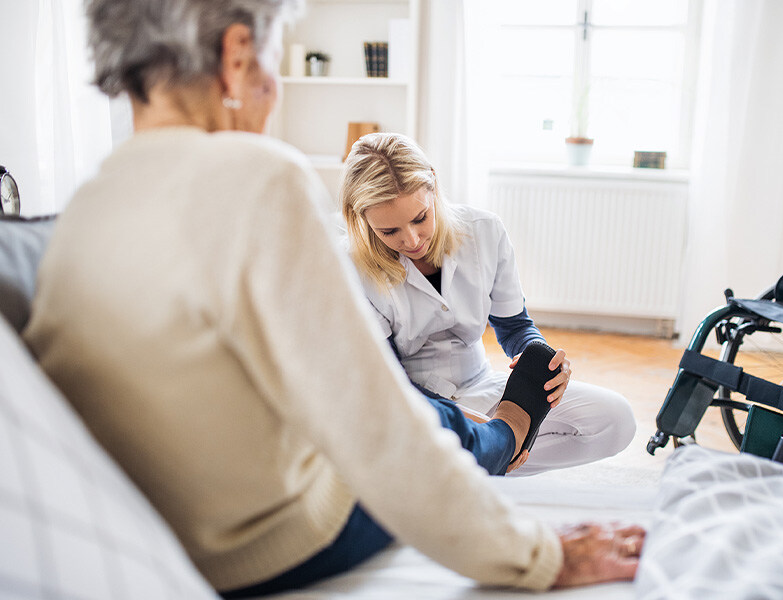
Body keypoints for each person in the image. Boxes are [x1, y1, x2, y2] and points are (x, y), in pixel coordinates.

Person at [23, 0, 644, 596]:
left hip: (170, 537)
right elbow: (378, 424)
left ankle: (500, 438)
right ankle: (507, 440)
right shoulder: (259, 176)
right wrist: (540, 554)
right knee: (428, 420)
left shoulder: (83, 212)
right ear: (238, 56)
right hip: (283, 543)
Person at [339, 132, 637, 476]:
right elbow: (387, 379)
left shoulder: (484, 231)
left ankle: (483, 464)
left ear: (433, 186)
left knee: (616, 420)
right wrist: (481, 429)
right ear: (361, 219)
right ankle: (483, 459)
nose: (412, 239)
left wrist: (539, 360)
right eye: (390, 231)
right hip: (410, 404)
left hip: (484, 386)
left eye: (420, 218)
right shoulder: (348, 266)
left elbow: (515, 327)